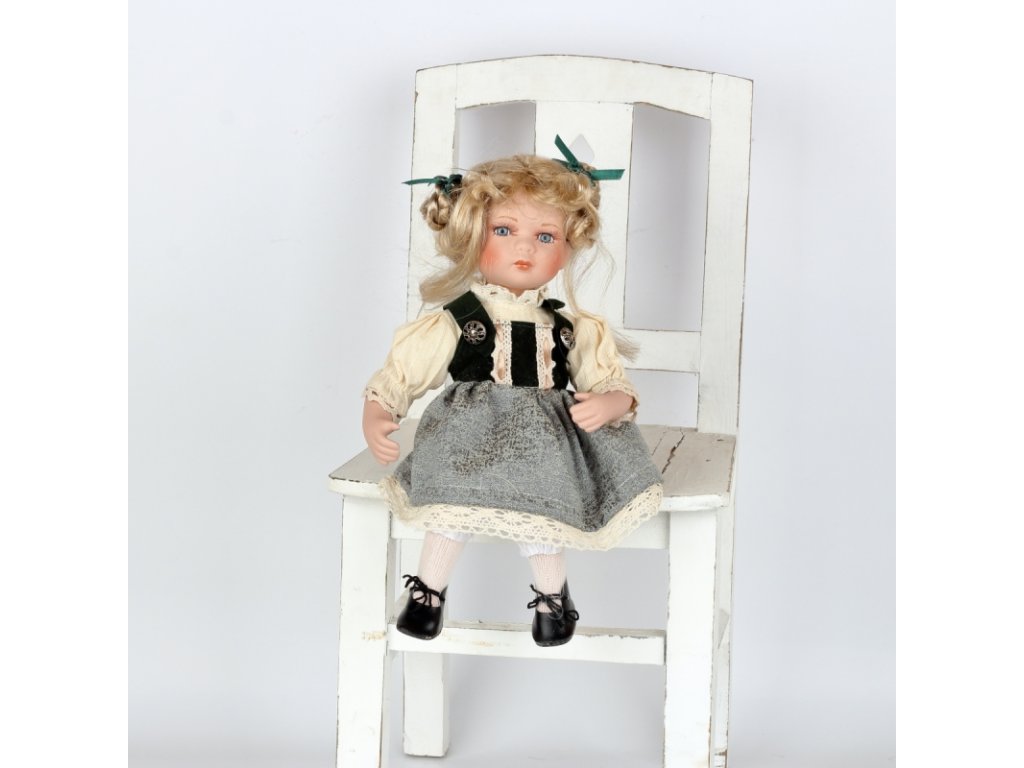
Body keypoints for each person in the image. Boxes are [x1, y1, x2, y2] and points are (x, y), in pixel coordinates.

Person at [361, 137, 663, 647]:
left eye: (546, 236)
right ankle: (428, 592)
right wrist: (378, 410)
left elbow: (606, 379)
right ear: (471, 237)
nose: (525, 248)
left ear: (568, 247)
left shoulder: (569, 326)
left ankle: (553, 599)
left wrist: (612, 401)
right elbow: (406, 371)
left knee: (540, 514)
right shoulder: (460, 318)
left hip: (543, 445)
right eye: (504, 230)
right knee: (450, 506)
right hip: (467, 438)